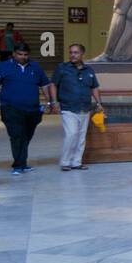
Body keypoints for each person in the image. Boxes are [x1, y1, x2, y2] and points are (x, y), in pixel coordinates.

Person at [0, 42, 53, 174]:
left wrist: (49, 102)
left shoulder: (35, 67)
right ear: (13, 54)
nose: (23, 57)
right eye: (20, 54)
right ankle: (18, 165)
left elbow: (45, 84)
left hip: (33, 110)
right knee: (17, 136)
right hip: (10, 108)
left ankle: (22, 162)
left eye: (25, 55)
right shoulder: (3, 66)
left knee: (26, 136)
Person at [49, 43, 101, 171]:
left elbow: (94, 87)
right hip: (68, 107)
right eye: (71, 52)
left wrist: (99, 103)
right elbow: (53, 85)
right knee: (72, 134)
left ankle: (77, 162)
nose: (72, 55)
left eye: (76, 52)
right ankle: (65, 162)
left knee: (81, 137)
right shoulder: (62, 68)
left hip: (85, 108)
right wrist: (54, 102)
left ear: (82, 54)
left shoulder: (89, 70)